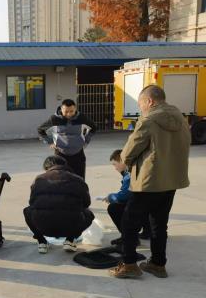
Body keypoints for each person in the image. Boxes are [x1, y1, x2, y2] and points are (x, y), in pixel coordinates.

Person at [109, 85, 190, 279]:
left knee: (129, 223)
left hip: (149, 180)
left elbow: (130, 150)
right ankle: (157, 264)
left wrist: (126, 162)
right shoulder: (181, 118)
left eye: (141, 104)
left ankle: (129, 265)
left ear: (150, 101)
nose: (141, 108)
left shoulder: (148, 120)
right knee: (159, 224)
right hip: (171, 179)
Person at [23, 155, 94, 254]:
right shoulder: (78, 179)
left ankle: (42, 242)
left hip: (43, 226)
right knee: (89, 214)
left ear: (46, 167)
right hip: (70, 226)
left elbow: (32, 202)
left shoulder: (39, 179)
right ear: (65, 165)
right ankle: (70, 240)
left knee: (27, 211)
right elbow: (86, 203)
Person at [98, 149, 152, 248]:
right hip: (149, 204)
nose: (115, 168)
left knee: (113, 208)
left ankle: (129, 237)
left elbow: (125, 195)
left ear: (122, 161)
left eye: (115, 164)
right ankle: (147, 231)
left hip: (141, 207)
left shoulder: (129, 174)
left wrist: (110, 197)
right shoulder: (134, 168)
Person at [37, 99, 96, 179]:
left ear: (75, 109)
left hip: (78, 154)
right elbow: (40, 130)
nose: (69, 114)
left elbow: (93, 127)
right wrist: (50, 142)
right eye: (66, 111)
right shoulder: (54, 118)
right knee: (60, 179)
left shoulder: (81, 117)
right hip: (60, 154)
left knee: (79, 180)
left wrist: (86, 141)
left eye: (71, 111)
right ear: (61, 109)